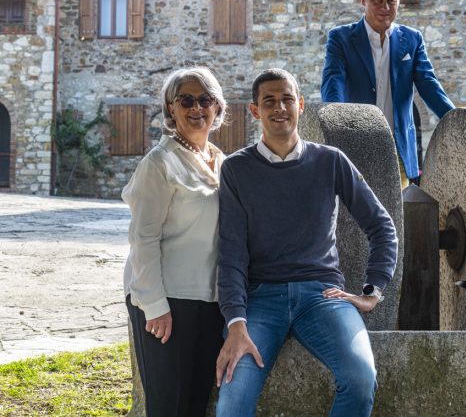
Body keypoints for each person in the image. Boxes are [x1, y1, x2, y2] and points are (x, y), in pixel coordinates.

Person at [215, 68, 398, 417]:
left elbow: (381, 226)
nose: (279, 107)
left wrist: (373, 290)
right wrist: (236, 323)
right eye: (269, 101)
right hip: (260, 300)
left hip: (322, 297)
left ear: (299, 104)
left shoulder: (330, 160)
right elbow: (231, 253)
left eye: (287, 99)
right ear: (255, 111)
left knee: (361, 379)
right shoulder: (237, 169)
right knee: (232, 404)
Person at [123, 67, 227, 416]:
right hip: (166, 301)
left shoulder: (220, 161)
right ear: (171, 108)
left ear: (217, 107)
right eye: (186, 100)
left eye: (205, 99)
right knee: (168, 405)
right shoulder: (159, 163)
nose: (196, 108)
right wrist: (154, 305)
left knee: (196, 403)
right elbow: (143, 237)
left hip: (208, 301)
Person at [321, 0, 455, 186]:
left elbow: (428, 84)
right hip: (355, 143)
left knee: (396, 214)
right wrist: (336, 118)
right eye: (377, 0)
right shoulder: (340, 38)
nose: (385, 7)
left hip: (398, 147)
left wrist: (453, 117)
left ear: (398, 2)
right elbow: (333, 81)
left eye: (391, 1)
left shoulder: (413, 39)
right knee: (353, 213)